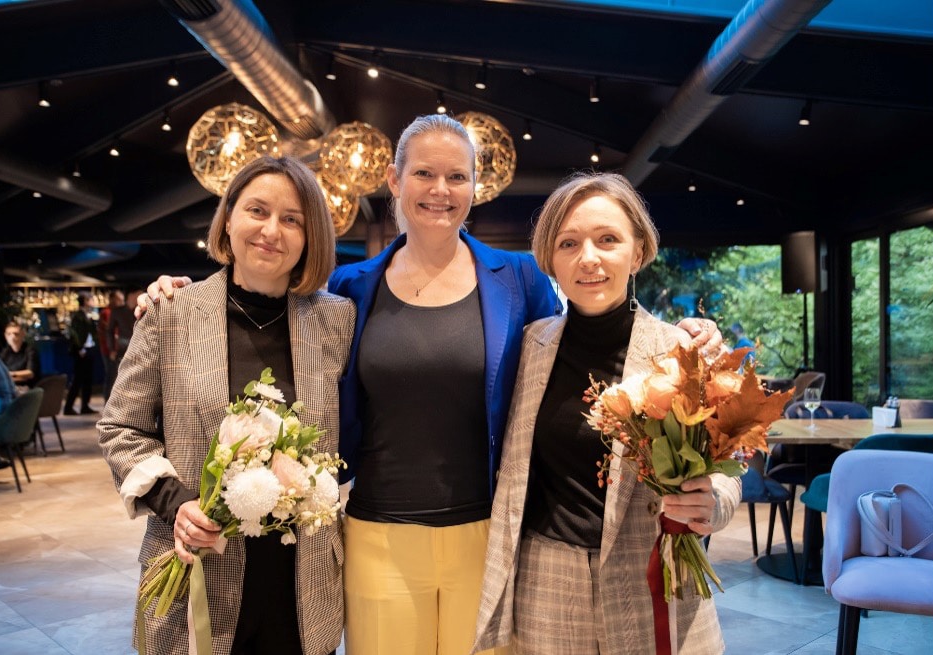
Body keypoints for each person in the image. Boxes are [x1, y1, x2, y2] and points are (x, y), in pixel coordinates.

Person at [139, 114, 724, 655]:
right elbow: (260, 310)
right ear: (394, 180)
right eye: (423, 172)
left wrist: (684, 339)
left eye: (456, 176)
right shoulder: (350, 287)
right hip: (376, 533)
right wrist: (177, 295)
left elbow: (585, 341)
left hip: (485, 533)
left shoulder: (518, 280)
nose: (439, 189)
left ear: (475, 188)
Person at [473, 172, 741, 654]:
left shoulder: (680, 350)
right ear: (550, 261)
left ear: (637, 252)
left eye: (608, 239)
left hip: (652, 574)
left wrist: (712, 503)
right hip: (547, 582)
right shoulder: (530, 346)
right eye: (569, 243)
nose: (588, 258)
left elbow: (726, 466)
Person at [97, 155, 354, 655]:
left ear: (309, 236)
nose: (271, 230)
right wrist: (176, 504)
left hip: (301, 576)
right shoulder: (172, 312)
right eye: (257, 210)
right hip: (196, 559)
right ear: (229, 217)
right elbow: (120, 427)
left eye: (292, 219)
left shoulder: (335, 321)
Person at [65, 292, 98, 415]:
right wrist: (80, 349)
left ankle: (85, 406)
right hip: (81, 352)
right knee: (78, 380)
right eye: (91, 299)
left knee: (87, 380)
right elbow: (75, 334)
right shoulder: (78, 316)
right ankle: (68, 407)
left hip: (87, 351)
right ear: (84, 300)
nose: (93, 302)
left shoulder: (85, 315)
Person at [105, 289, 136, 395]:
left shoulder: (141, 309)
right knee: (116, 378)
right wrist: (112, 349)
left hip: (137, 349)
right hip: (122, 348)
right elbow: (109, 331)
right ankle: (109, 405)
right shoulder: (117, 311)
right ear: (131, 295)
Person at [0, 321, 41, 390]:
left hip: (28, 389)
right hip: (10, 385)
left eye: (16, 334)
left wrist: (11, 374)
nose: (12, 337)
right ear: (5, 336)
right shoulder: (5, 352)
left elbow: (30, 373)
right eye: (9, 334)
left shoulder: (30, 350)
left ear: (22, 334)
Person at [98, 290, 122, 401]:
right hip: (108, 350)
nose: (120, 302)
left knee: (114, 376)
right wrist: (112, 349)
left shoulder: (114, 312)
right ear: (112, 299)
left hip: (113, 349)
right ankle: (108, 403)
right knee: (111, 376)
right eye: (118, 299)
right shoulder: (107, 313)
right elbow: (109, 331)